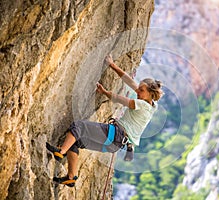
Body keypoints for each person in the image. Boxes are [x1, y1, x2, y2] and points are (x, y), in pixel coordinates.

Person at [46, 54, 164, 187]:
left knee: (78, 126)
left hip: (115, 134)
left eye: (141, 90)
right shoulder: (152, 106)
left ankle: (60, 152)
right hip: (114, 145)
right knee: (76, 141)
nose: (138, 92)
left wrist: (105, 92)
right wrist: (112, 65)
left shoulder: (141, 104)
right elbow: (131, 83)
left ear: (150, 93)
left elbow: (120, 99)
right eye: (139, 89)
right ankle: (71, 177)